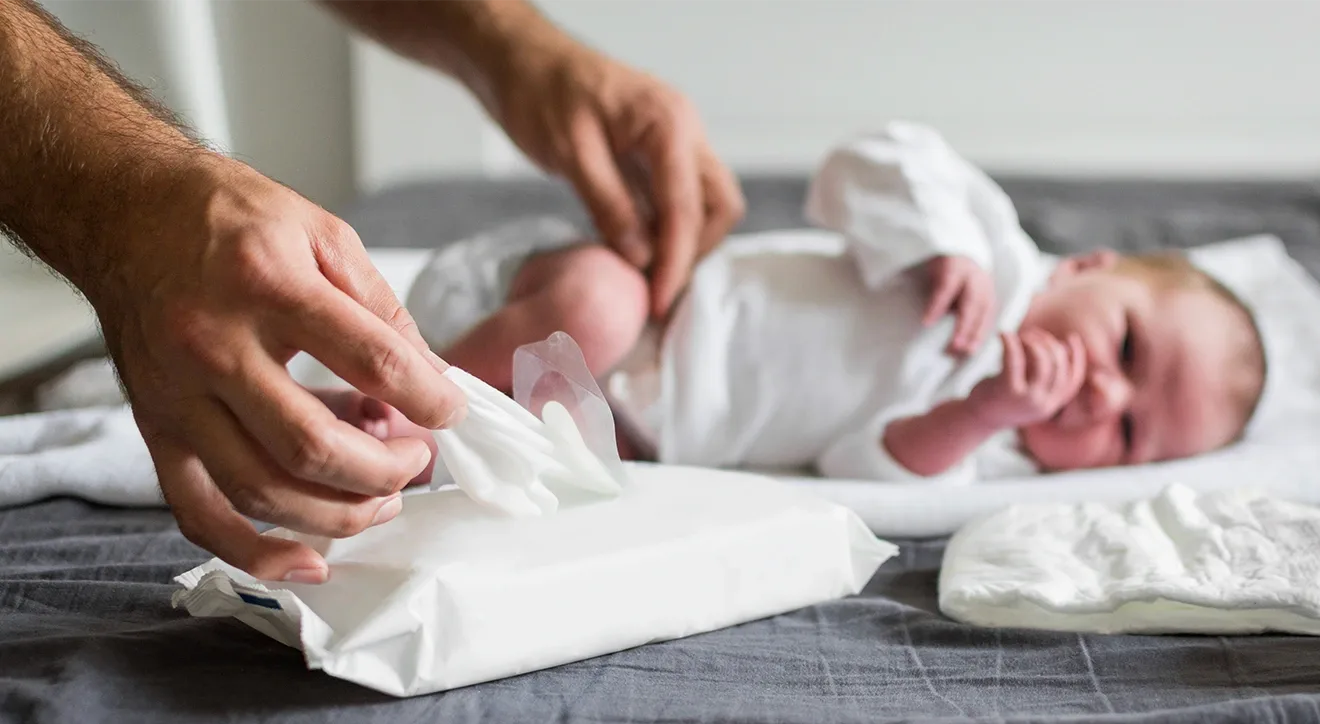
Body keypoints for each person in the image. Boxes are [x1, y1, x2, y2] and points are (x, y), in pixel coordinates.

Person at [0, 0, 743, 583]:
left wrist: (515, 44)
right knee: (599, 304)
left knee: (596, 467)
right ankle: (419, 398)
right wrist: (127, 203)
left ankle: (415, 414)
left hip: (661, 409)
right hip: (612, 299)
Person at [384, 121, 1266, 483]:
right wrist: (942, 244)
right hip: (641, 308)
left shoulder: (996, 456)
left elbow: (862, 466)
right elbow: (875, 159)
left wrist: (978, 409)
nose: (1101, 396)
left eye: (1126, 436)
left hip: (629, 428)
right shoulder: (994, 248)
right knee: (600, 306)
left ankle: (384, 436)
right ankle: (409, 388)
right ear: (1087, 269)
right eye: (1127, 352)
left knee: (543, 477)